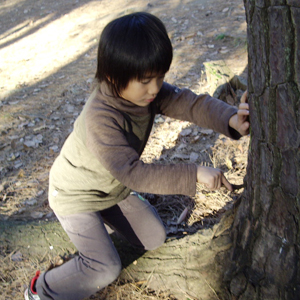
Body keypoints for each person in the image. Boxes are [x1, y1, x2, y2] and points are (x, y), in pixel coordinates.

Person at [24, 12, 250, 300]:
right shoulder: (100, 118)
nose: (155, 88)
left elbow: (189, 104)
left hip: (111, 189)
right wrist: (194, 173)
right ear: (112, 75)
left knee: (154, 237)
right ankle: (40, 288)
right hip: (75, 195)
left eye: (159, 77)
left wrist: (231, 119)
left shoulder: (142, 93)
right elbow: (134, 173)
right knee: (104, 268)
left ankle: (103, 224)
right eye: (145, 80)